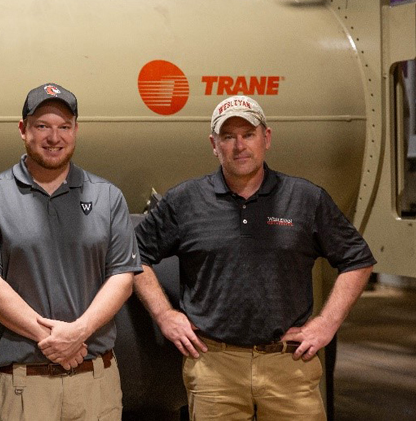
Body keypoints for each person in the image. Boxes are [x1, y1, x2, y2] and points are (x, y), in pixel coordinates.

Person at [134, 95, 376, 420]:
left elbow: (357, 259)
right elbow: (132, 254)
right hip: (214, 368)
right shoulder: (185, 201)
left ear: (267, 138)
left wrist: (327, 323)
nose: (239, 146)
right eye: (227, 136)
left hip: (290, 366)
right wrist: (164, 315)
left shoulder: (305, 199)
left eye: (248, 135)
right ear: (213, 144)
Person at [0, 83, 142, 421]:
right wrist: (54, 339)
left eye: (64, 126)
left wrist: (78, 332)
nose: (54, 137)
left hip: (95, 381)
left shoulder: (108, 196)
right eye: (42, 126)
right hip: (23, 385)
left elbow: (122, 277)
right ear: (23, 129)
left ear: (76, 130)